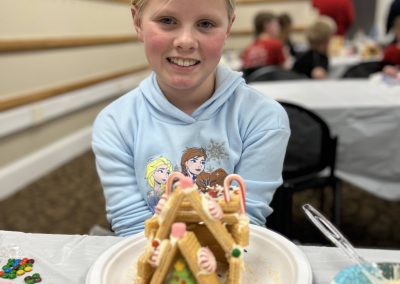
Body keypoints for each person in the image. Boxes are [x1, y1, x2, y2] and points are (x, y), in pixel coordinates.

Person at [92, 0, 290, 236]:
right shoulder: (115, 123)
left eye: (206, 23)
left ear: (228, 28)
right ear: (137, 22)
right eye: (167, 21)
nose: (185, 41)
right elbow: (133, 227)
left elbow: (243, 222)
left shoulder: (263, 118)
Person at [240, 11, 287, 77]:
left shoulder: (249, 48)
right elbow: (285, 70)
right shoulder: (276, 44)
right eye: (276, 24)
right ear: (267, 25)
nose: (279, 28)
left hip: (252, 84)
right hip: (272, 83)